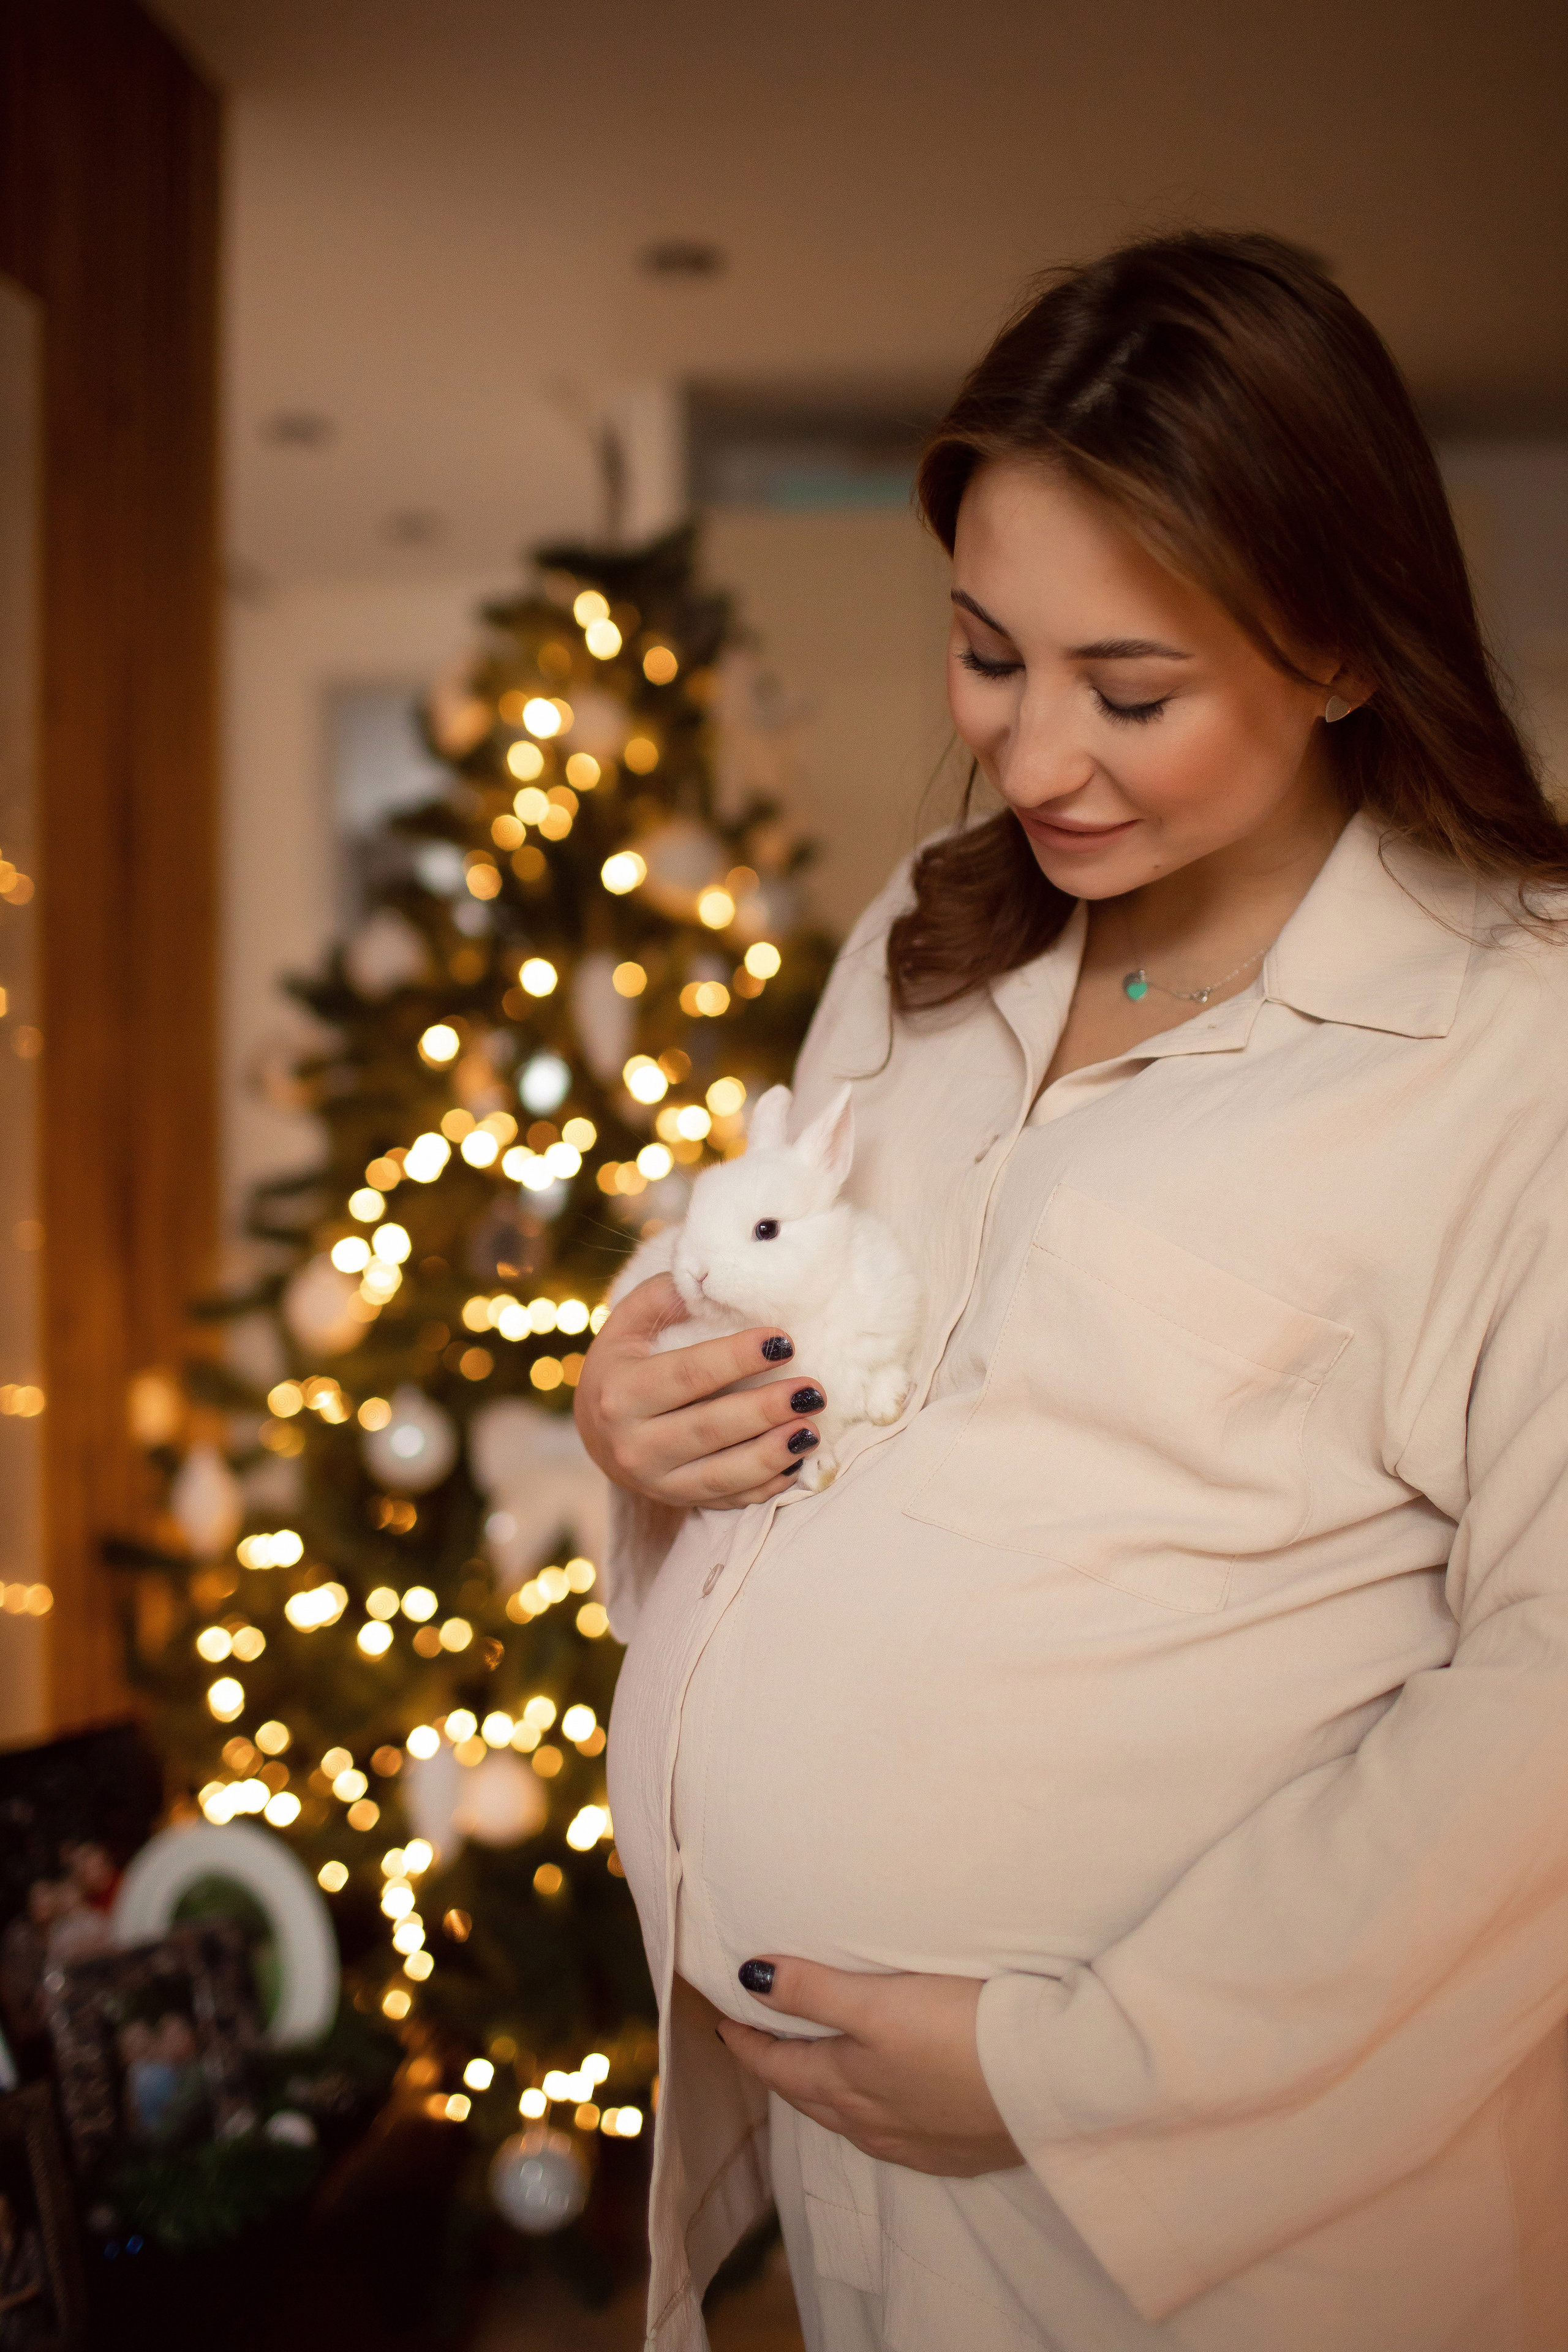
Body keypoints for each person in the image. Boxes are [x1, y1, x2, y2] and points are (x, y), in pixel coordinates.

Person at [576, 231, 1568, 2352]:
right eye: (986, 655)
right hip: (856, 2182)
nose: (1035, 763)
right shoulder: (931, 941)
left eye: (1130, 693)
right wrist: (644, 1408)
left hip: (1245, 2234)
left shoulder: (1519, 1049)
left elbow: (1550, 1705)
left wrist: (1069, 2070)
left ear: (1340, 647)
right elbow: (783, 1325)